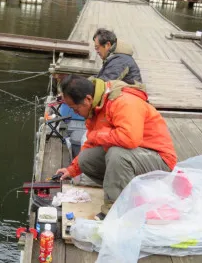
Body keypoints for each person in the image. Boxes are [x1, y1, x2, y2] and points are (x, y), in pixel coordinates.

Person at [55, 74, 177, 220]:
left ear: (88, 99)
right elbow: (91, 142)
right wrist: (72, 169)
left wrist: (98, 135)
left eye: (75, 109)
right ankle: (129, 192)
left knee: (116, 154)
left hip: (160, 160)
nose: (76, 113)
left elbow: (130, 139)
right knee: (85, 159)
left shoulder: (124, 102)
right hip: (135, 156)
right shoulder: (97, 107)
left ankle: (114, 210)